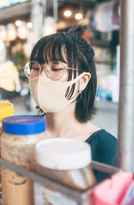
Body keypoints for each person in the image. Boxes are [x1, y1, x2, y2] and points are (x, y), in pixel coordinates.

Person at [24, 27, 117, 182]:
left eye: (56, 68)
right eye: (35, 67)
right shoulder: (22, 135)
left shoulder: (107, 148)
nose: (41, 76)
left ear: (83, 81)